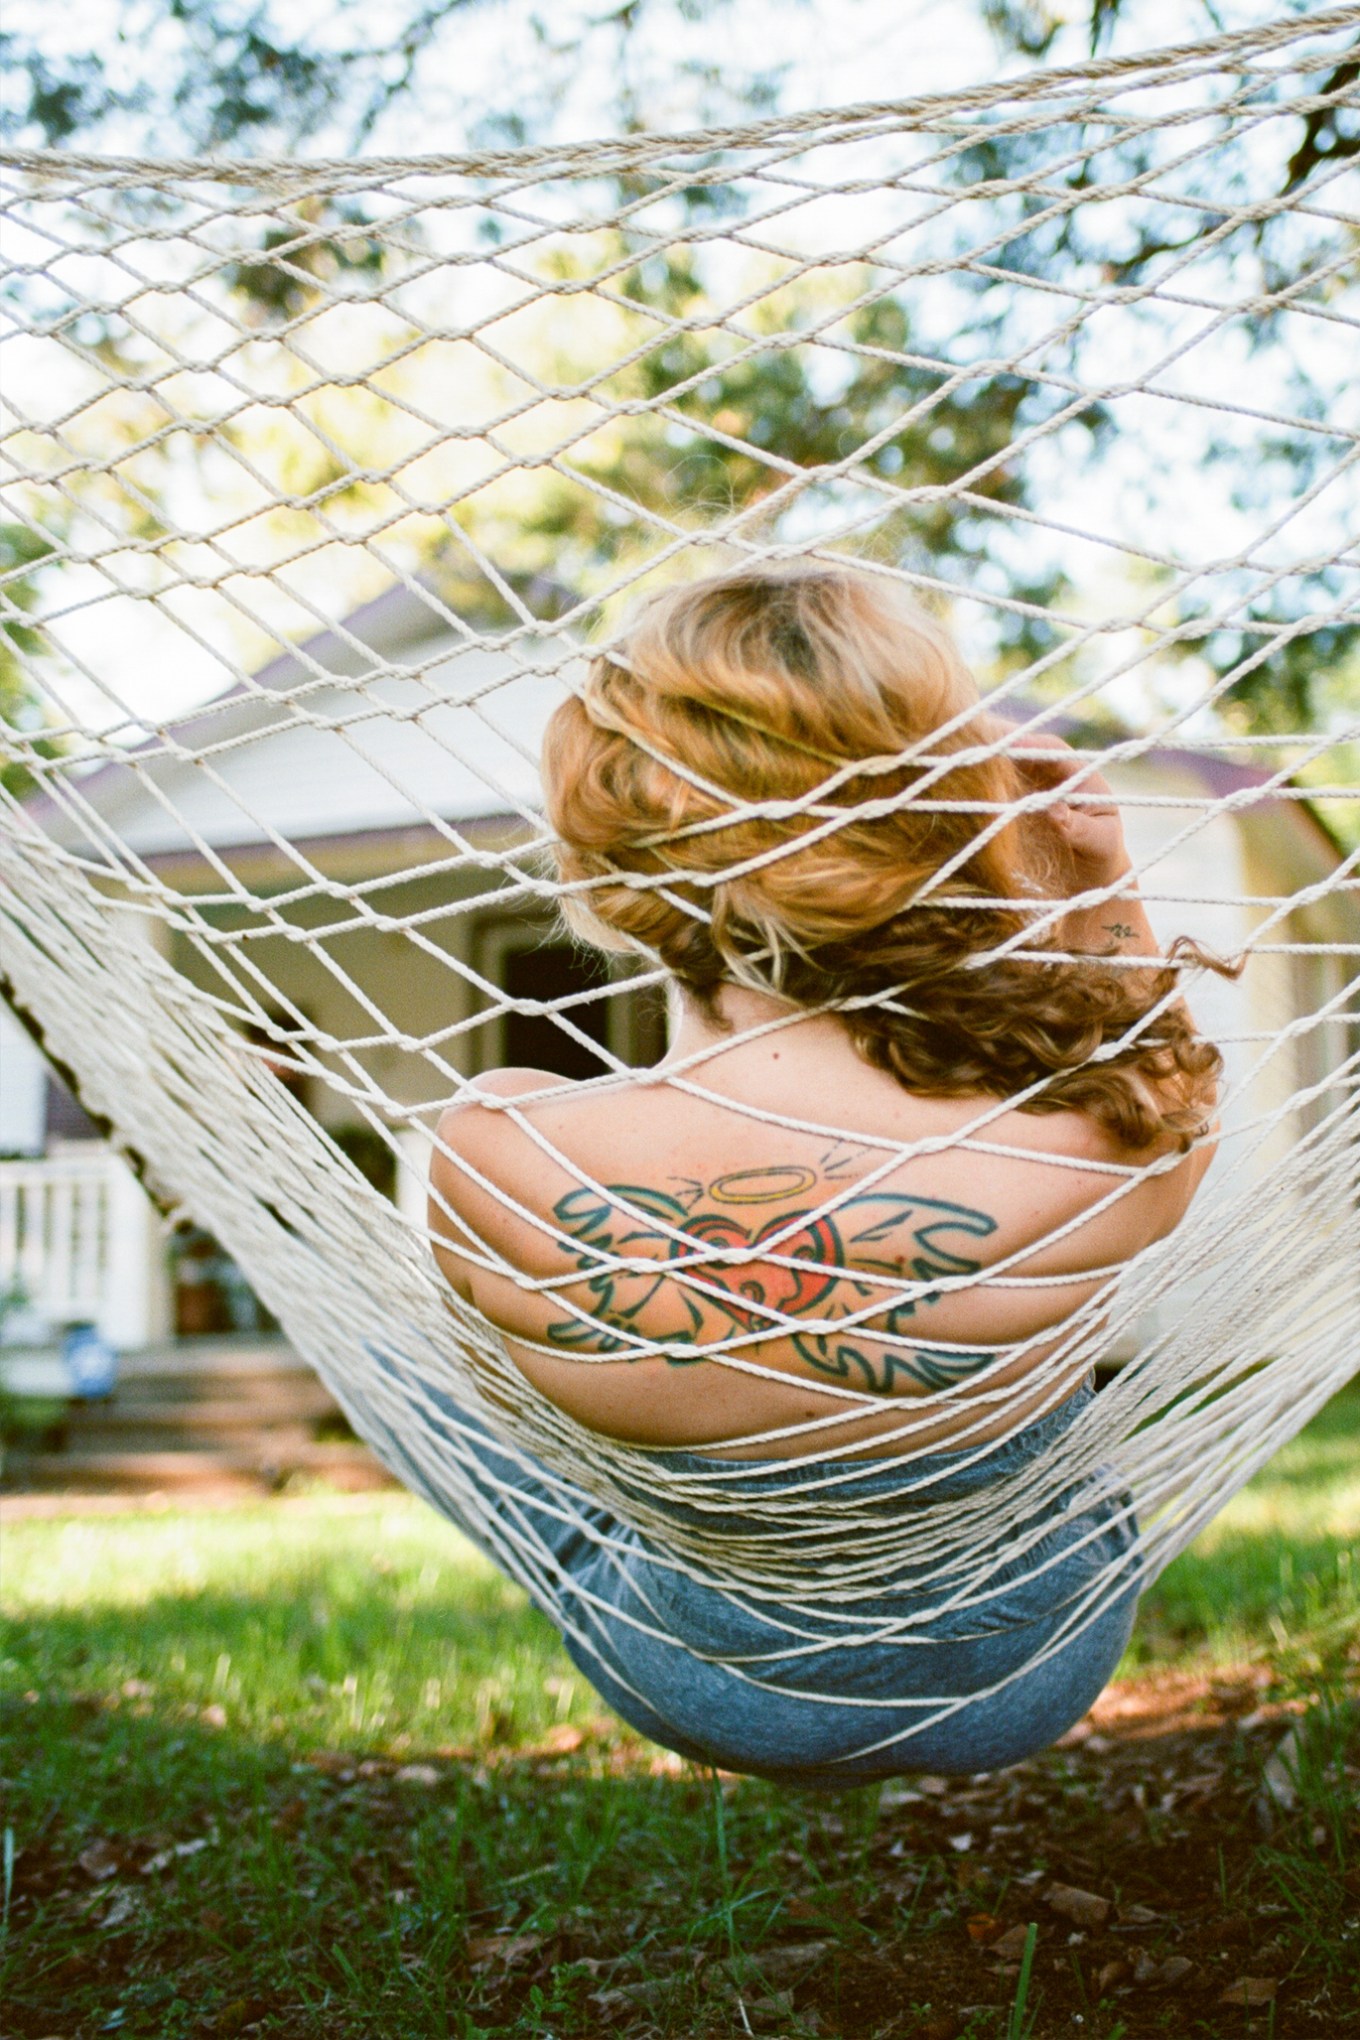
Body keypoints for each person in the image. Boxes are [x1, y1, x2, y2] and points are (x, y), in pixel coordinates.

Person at [417, 564, 1224, 1784]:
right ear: (943, 830)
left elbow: (502, 1395)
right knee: (1041, 1410)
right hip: (1030, 1664)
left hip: (693, 1676)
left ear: (608, 871)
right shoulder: (1096, 1135)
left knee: (413, 1380)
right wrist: (1089, 884)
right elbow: (1153, 1061)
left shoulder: (498, 1145)